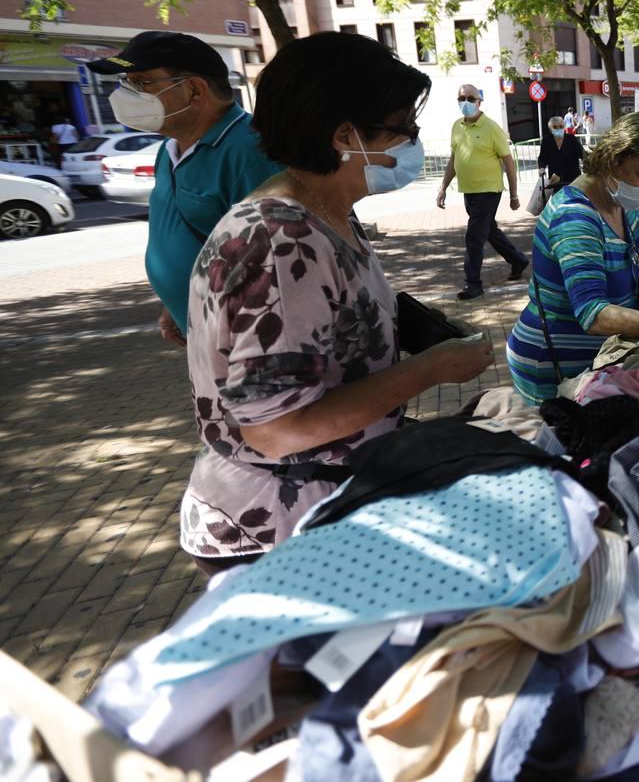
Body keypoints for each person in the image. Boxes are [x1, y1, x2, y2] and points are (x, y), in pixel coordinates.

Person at [182, 31, 494, 572]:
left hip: (328, 504)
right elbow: (278, 429)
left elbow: (322, 327)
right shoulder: (280, 240)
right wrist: (430, 369)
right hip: (277, 531)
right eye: (403, 128)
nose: (413, 142)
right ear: (346, 134)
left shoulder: (327, 215)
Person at [86, 31, 282, 349]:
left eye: (142, 82)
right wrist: (178, 304)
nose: (128, 93)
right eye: (127, 82)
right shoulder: (169, 150)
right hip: (199, 326)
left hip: (244, 340)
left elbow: (277, 261)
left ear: (194, 89)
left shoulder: (250, 152)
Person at [506, 112, 639, 404]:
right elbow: (593, 314)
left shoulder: (625, 207)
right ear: (613, 160)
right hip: (552, 367)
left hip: (597, 363)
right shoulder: (575, 217)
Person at [437, 83, 529, 299]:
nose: (466, 103)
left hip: (488, 190)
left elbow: (509, 163)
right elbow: (454, 159)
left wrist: (514, 195)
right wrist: (443, 187)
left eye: (471, 98)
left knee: (474, 237)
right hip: (468, 190)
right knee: (488, 230)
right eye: (461, 98)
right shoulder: (456, 126)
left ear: (479, 101)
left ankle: (473, 283)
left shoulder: (492, 128)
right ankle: (518, 260)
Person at [531, 114, 585, 214]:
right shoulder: (547, 141)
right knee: (559, 206)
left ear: (564, 127)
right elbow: (542, 157)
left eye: (560, 126)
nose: (558, 129)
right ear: (550, 128)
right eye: (555, 127)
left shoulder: (571, 139)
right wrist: (541, 168)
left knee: (574, 205)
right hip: (556, 180)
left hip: (573, 178)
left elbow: (582, 154)